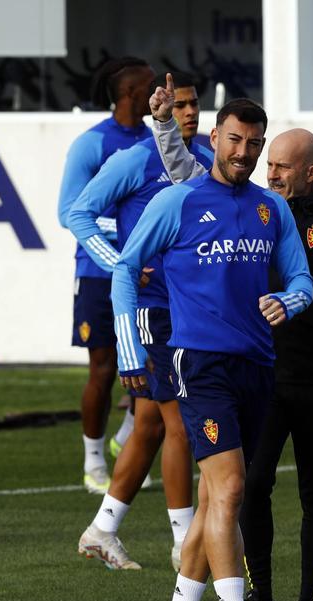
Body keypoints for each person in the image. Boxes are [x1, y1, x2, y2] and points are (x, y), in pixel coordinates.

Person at [152, 105, 313, 601]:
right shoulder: (251, 208)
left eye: (281, 166)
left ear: (311, 173)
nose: (268, 172)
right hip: (262, 376)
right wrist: (165, 126)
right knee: (247, 489)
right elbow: (189, 180)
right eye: (268, 162)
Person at [113, 98, 313, 601]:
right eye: (233, 140)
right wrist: (131, 348)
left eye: (254, 144)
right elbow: (126, 268)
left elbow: (301, 279)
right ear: (216, 138)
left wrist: (289, 301)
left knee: (213, 500)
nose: (243, 153)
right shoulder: (178, 200)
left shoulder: (273, 209)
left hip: (257, 364)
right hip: (198, 362)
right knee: (229, 491)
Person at [69, 72, 212, 572]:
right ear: (163, 110)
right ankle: (183, 542)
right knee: (179, 425)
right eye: (179, 105)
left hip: (188, 309)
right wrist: (119, 261)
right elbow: (79, 212)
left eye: (193, 104)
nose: (188, 112)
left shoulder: (207, 165)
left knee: (149, 424)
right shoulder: (133, 160)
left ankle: (102, 529)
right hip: (153, 308)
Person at [58, 57, 156, 494]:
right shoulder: (91, 144)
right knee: (103, 369)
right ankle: (93, 460)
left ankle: (126, 437)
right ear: (132, 94)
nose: (162, 94)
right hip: (99, 271)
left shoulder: (157, 142)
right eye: (152, 87)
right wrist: (122, 254)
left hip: (150, 275)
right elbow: (69, 211)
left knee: (152, 363)